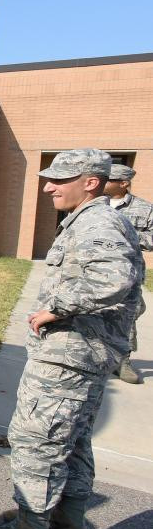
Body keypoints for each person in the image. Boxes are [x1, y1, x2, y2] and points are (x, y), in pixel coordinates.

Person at [0, 149, 144, 529]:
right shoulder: (94, 219)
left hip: (70, 354)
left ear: (91, 182)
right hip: (85, 353)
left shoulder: (98, 222)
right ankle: (68, 526)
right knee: (74, 440)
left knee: (37, 440)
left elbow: (114, 279)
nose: (48, 187)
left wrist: (55, 307)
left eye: (60, 179)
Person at [103, 163, 152, 384]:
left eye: (109, 179)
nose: (103, 182)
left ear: (123, 183)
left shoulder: (144, 209)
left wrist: (124, 235)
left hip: (127, 272)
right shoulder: (92, 204)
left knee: (128, 314)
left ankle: (122, 360)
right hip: (93, 269)